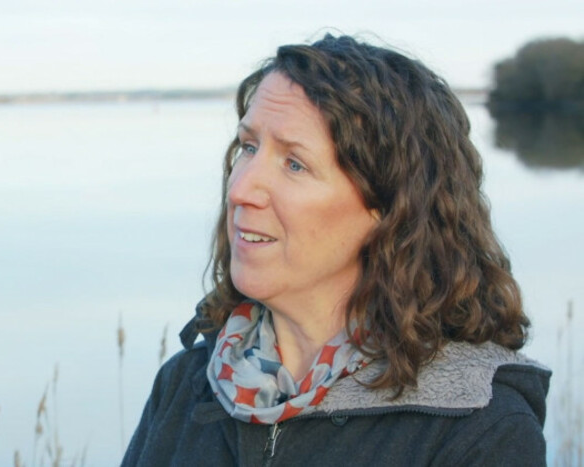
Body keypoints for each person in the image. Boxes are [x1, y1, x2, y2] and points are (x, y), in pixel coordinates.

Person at [122, 34, 551, 466]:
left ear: (389, 207)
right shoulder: (187, 383)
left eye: (295, 164)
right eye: (248, 147)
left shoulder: (476, 428)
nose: (241, 188)